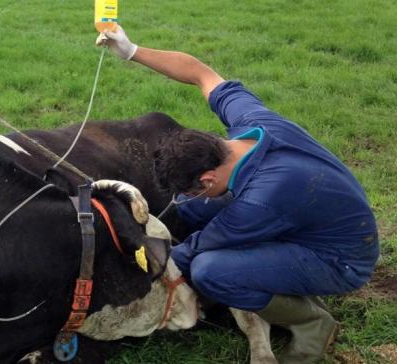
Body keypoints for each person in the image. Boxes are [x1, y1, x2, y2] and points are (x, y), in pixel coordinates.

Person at [97, 27, 379, 363]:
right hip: (309, 216)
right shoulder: (248, 122)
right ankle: (277, 275)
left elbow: (190, 254)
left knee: (211, 271)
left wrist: (134, 267)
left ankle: (311, 321)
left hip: (342, 258)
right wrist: (132, 51)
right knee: (190, 210)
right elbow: (199, 73)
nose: (189, 195)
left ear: (207, 176)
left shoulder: (261, 199)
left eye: (192, 187)